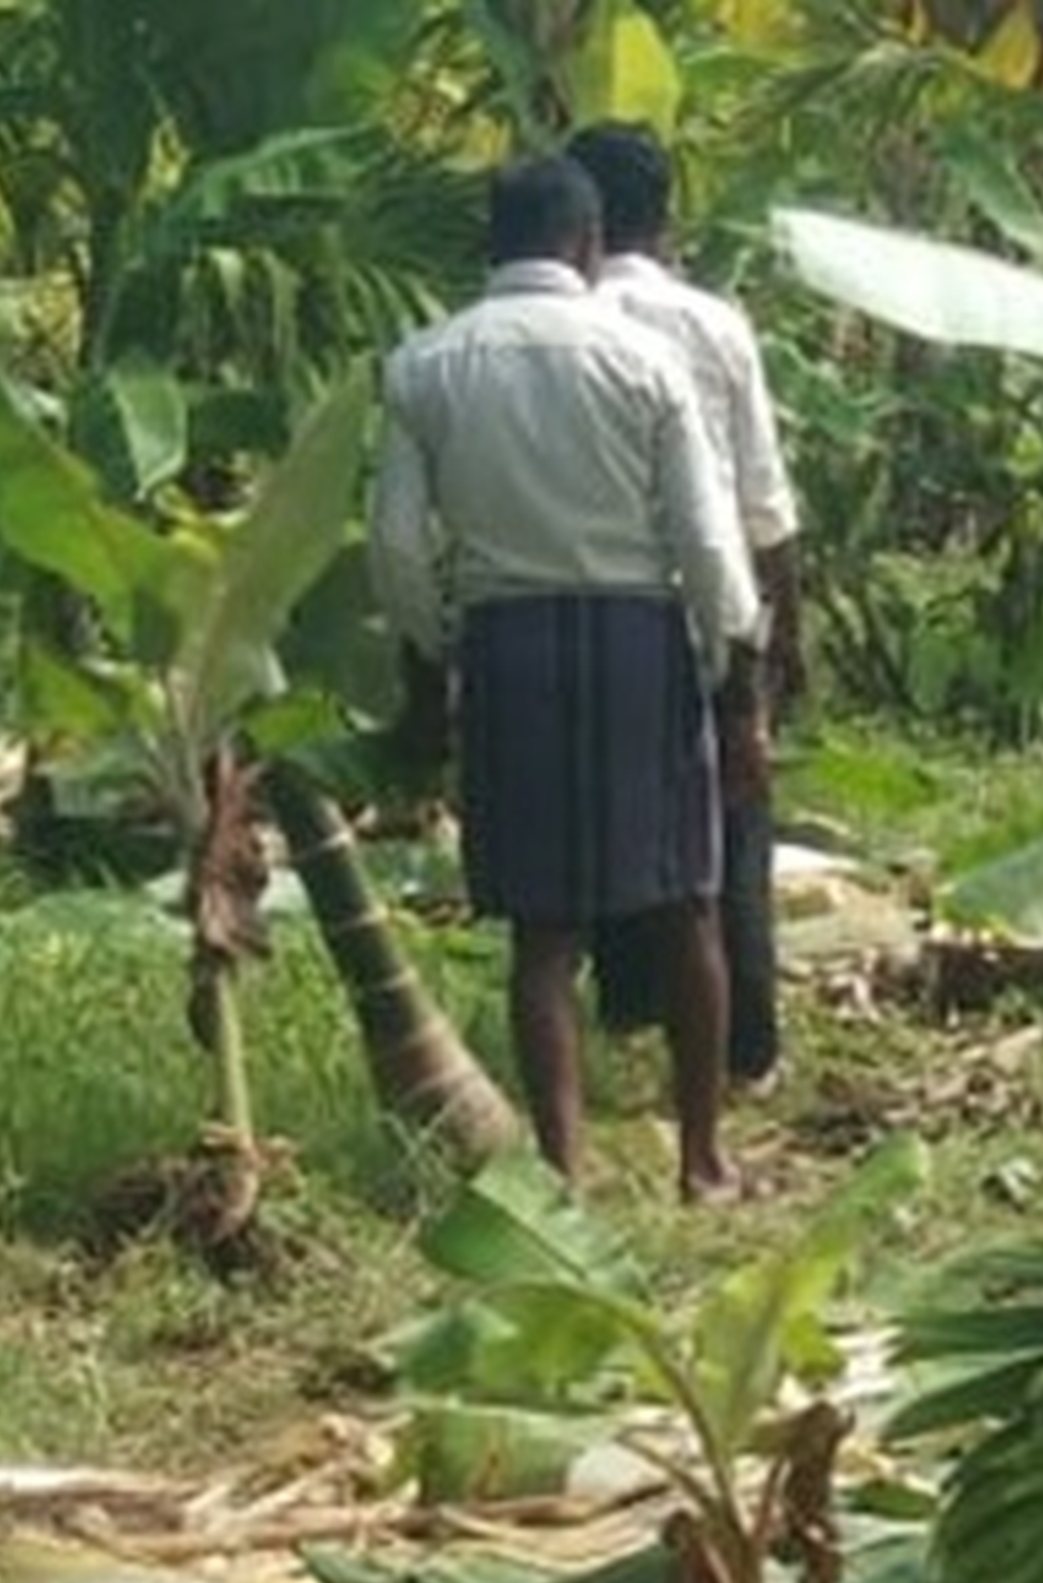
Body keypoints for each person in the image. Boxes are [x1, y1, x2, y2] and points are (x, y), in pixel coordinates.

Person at [371, 149, 761, 1196]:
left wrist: (436, 654)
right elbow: (706, 540)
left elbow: (401, 550)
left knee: (543, 934)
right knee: (684, 900)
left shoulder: (424, 365)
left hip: (508, 642)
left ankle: (562, 1171)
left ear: (489, 245)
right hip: (638, 637)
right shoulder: (644, 360)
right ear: (587, 243)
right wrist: (726, 664)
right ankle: (702, 1157)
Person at [571, 120, 800, 1101]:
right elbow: (762, 500)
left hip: (585, 602)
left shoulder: (548, 332)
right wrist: (785, 626)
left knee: (608, 814)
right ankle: (744, 1044)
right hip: (710, 605)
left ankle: (630, 1010)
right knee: (731, 824)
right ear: (667, 216)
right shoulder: (713, 324)